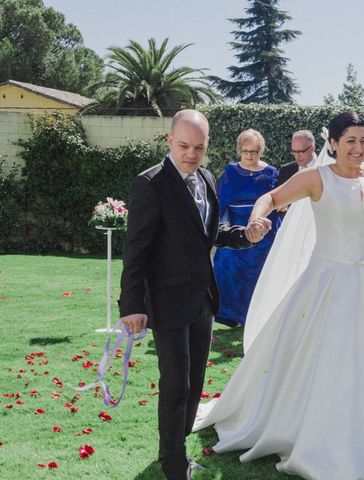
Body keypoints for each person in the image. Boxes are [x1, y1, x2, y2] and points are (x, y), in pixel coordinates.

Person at [192, 112, 364, 479]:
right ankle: (315, 428)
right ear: (333, 143)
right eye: (350, 141)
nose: (358, 148)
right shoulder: (315, 177)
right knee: (328, 356)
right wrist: (256, 221)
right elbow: (270, 198)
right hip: (328, 281)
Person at [117, 110, 269, 480]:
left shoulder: (206, 178)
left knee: (195, 384)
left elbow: (209, 231)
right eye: (184, 145)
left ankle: (174, 450)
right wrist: (132, 305)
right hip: (167, 301)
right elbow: (135, 249)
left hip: (203, 300)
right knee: (176, 385)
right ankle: (173, 466)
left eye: (199, 147)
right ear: (169, 140)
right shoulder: (149, 183)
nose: (191, 154)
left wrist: (242, 235)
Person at [212, 129, 281, 327]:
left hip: (263, 235)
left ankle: (257, 318)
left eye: (254, 151)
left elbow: (276, 203)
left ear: (261, 151)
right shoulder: (231, 172)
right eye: (245, 151)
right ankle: (231, 317)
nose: (249, 155)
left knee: (260, 277)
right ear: (239, 150)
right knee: (230, 273)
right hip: (235, 233)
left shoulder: (271, 173)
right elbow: (220, 202)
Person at [275, 130, 317, 218]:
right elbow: (277, 202)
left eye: (301, 151)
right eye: (294, 151)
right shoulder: (285, 171)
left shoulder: (325, 168)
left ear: (312, 148)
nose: (297, 156)